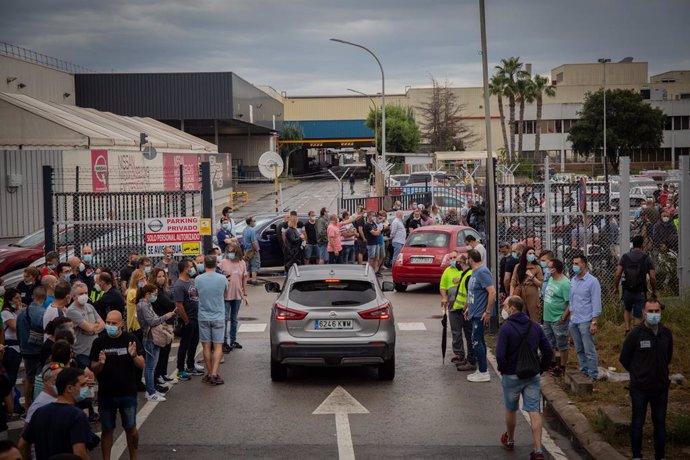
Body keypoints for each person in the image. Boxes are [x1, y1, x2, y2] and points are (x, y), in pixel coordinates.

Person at [496, 296, 553, 460]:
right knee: (534, 411)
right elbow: (548, 351)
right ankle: (538, 450)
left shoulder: (506, 329)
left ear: (513, 309)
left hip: (511, 375)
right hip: (532, 375)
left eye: (506, 306)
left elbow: (500, 355)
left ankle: (511, 439)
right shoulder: (535, 326)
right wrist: (540, 369)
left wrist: (503, 370)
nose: (504, 309)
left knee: (511, 409)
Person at [620, 298, 673, 460]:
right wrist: (638, 373)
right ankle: (637, 456)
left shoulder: (666, 334)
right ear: (644, 312)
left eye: (657, 311)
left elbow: (668, 357)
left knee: (660, 423)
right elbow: (624, 358)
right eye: (650, 311)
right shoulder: (635, 334)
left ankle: (660, 456)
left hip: (660, 388)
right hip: (640, 388)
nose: (654, 314)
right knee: (637, 422)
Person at [90, 310, 144, 460]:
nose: (110, 326)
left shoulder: (130, 339)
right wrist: (100, 364)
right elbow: (93, 367)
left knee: (131, 428)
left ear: (121, 323)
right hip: (106, 394)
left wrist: (133, 356)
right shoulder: (99, 342)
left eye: (114, 323)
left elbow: (142, 364)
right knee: (107, 429)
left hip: (127, 393)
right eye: (108, 323)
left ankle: (134, 456)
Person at [19, 367, 95, 460]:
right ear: (70, 388)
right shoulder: (77, 416)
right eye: (82, 385)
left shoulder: (39, 412)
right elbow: (79, 453)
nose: (85, 388)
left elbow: (22, 445)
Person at [136, 283, 175, 401]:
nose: (155, 296)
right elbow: (152, 321)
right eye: (154, 294)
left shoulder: (147, 304)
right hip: (150, 338)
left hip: (153, 337)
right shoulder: (143, 305)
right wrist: (166, 316)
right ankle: (151, 392)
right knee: (150, 367)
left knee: (152, 366)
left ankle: (152, 390)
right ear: (147, 294)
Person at [613, 235, 657, 334]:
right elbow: (653, 277)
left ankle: (628, 330)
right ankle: (636, 332)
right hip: (640, 290)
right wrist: (654, 291)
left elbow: (618, 274)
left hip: (627, 290)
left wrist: (615, 287)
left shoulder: (625, 257)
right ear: (642, 245)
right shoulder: (647, 258)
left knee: (627, 309)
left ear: (633, 244)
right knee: (638, 314)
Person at [195, 255, 228, 385]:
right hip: (218, 315)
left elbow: (196, 295)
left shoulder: (198, 279)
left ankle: (209, 373)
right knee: (218, 346)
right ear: (215, 264)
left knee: (206, 346)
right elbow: (225, 295)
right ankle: (215, 373)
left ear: (204, 264)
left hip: (203, 316)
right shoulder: (222, 278)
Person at [568, 254, 601, 382]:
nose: (574, 266)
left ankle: (593, 375)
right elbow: (571, 299)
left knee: (589, 350)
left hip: (586, 320)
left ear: (584, 265)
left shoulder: (592, 281)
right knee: (579, 349)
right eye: (573, 263)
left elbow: (596, 302)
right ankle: (583, 372)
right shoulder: (573, 280)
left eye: (577, 263)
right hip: (574, 320)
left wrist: (594, 321)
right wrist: (571, 314)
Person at [464, 249, 496, 383]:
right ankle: (481, 369)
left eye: (467, 258)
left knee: (476, 342)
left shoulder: (482, 272)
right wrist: (467, 307)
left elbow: (492, 292)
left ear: (470, 259)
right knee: (478, 341)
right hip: (474, 311)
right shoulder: (474, 272)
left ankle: (483, 372)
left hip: (480, 314)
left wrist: (487, 312)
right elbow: (472, 292)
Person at [440, 252, 474, 371]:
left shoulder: (467, 272)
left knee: (469, 333)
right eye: (451, 258)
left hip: (465, 308)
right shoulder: (447, 271)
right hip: (454, 306)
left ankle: (471, 358)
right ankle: (460, 354)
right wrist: (444, 297)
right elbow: (442, 286)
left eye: (455, 258)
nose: (453, 260)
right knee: (456, 331)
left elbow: (469, 289)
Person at [173, 259, 203, 381]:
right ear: (185, 268)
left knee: (194, 343)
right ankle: (181, 369)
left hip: (196, 318)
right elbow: (179, 305)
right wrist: (186, 320)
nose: (192, 269)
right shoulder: (179, 285)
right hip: (187, 319)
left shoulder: (191, 281)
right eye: (190, 267)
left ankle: (190, 365)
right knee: (184, 345)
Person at [17, 287, 47, 408]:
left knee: (29, 379)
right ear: (44, 298)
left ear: (33, 297)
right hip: (38, 350)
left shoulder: (22, 312)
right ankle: (39, 405)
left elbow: (18, 332)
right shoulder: (42, 312)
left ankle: (28, 407)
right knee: (40, 379)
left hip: (25, 349)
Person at [541, 259, 570, 378]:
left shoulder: (565, 284)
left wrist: (563, 317)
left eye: (549, 267)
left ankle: (562, 366)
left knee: (562, 343)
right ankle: (552, 363)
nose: (546, 269)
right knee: (549, 342)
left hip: (558, 318)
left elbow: (570, 303)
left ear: (555, 269)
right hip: (547, 317)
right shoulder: (551, 279)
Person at [66, 282, 104, 370]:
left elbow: (102, 324)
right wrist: (95, 327)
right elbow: (88, 328)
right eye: (81, 294)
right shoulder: (72, 311)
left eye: (86, 293)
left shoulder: (90, 306)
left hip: (94, 351)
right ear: (74, 296)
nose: (84, 295)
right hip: (81, 353)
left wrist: (93, 331)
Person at [150, 268, 177, 389]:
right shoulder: (155, 292)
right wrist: (172, 304)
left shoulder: (164, 290)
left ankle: (163, 373)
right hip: (162, 323)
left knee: (166, 350)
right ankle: (158, 375)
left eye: (163, 276)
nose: (161, 278)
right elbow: (170, 304)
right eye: (159, 276)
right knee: (161, 351)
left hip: (168, 322)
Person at [220, 244, 248, 354]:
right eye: (228, 251)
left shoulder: (242, 263)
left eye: (232, 251)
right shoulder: (223, 263)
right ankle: (224, 342)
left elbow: (244, 278)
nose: (230, 253)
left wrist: (245, 294)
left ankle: (233, 340)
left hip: (237, 295)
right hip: (225, 295)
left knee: (234, 318)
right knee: (225, 318)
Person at [510, 247, 544, 321]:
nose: (532, 255)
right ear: (525, 255)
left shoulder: (537, 267)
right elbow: (513, 283)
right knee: (520, 315)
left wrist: (532, 277)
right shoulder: (518, 266)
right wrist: (511, 297)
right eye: (530, 253)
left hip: (532, 293)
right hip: (520, 293)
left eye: (533, 253)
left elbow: (541, 284)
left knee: (533, 317)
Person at [125, 269, 146, 391]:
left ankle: (138, 380)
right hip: (135, 326)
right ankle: (137, 381)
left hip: (139, 325)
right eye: (141, 279)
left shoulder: (136, 291)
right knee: (138, 354)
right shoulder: (133, 292)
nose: (143, 281)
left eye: (144, 278)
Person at [1, 288, 24, 391]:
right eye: (16, 298)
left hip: (17, 346)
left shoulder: (14, 312)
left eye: (20, 297)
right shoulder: (6, 312)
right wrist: (19, 311)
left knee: (14, 374)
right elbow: (16, 327)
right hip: (11, 347)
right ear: (10, 300)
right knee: (11, 375)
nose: (19, 300)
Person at [242, 216, 261, 284]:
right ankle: (254, 280)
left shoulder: (245, 230)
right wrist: (257, 249)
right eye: (254, 221)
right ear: (250, 222)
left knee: (248, 265)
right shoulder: (252, 230)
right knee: (255, 264)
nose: (255, 222)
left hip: (247, 250)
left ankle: (247, 280)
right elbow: (254, 242)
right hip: (252, 250)